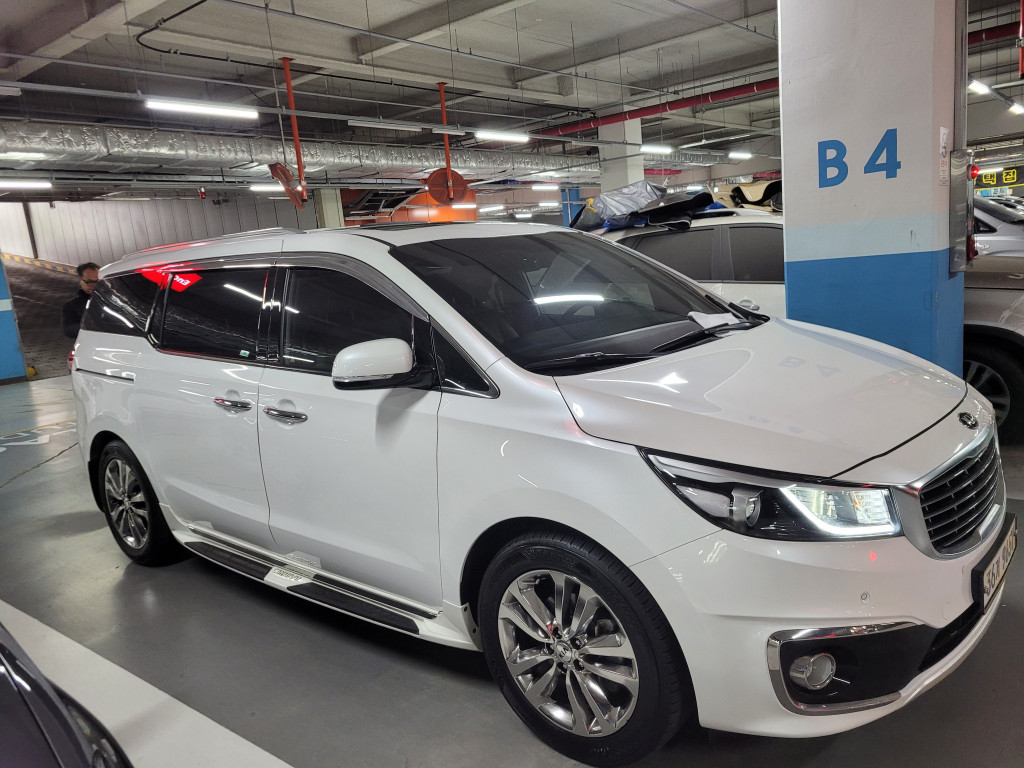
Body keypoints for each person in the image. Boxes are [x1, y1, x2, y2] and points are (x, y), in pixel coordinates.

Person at [61, 262, 100, 338]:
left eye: (97, 282)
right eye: (89, 282)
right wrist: (88, 325)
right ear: (80, 281)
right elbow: (68, 329)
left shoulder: (111, 299)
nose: (94, 285)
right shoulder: (71, 306)